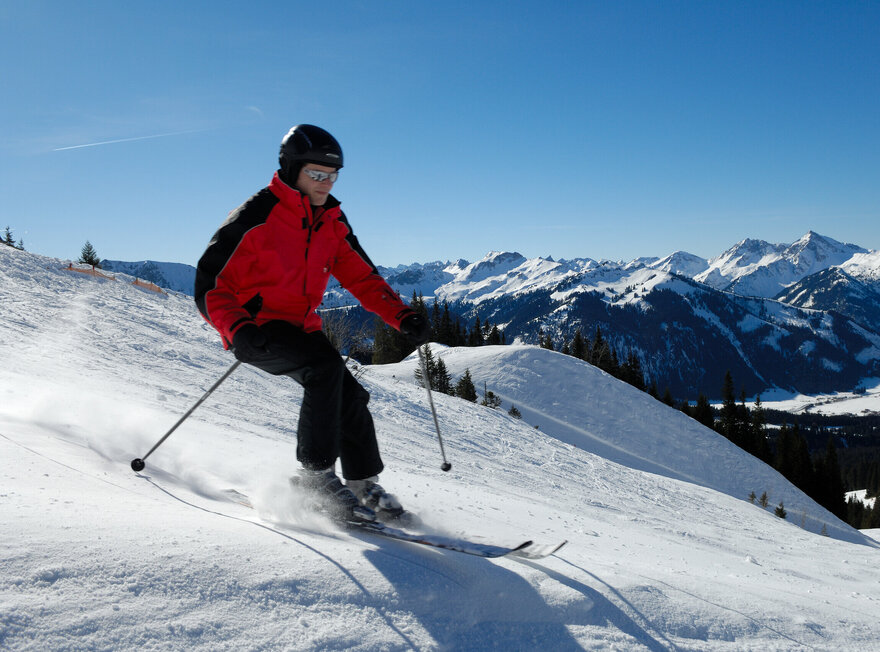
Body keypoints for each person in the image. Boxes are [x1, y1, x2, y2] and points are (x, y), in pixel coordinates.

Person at [194, 124, 430, 522]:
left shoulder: (331, 221)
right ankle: (314, 480)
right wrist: (236, 328)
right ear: (290, 169)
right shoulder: (256, 217)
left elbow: (362, 277)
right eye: (316, 174)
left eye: (332, 175)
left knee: (351, 396)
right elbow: (210, 285)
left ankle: (361, 485)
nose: (325, 183)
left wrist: (401, 316)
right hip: (257, 328)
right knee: (325, 370)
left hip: (302, 328)